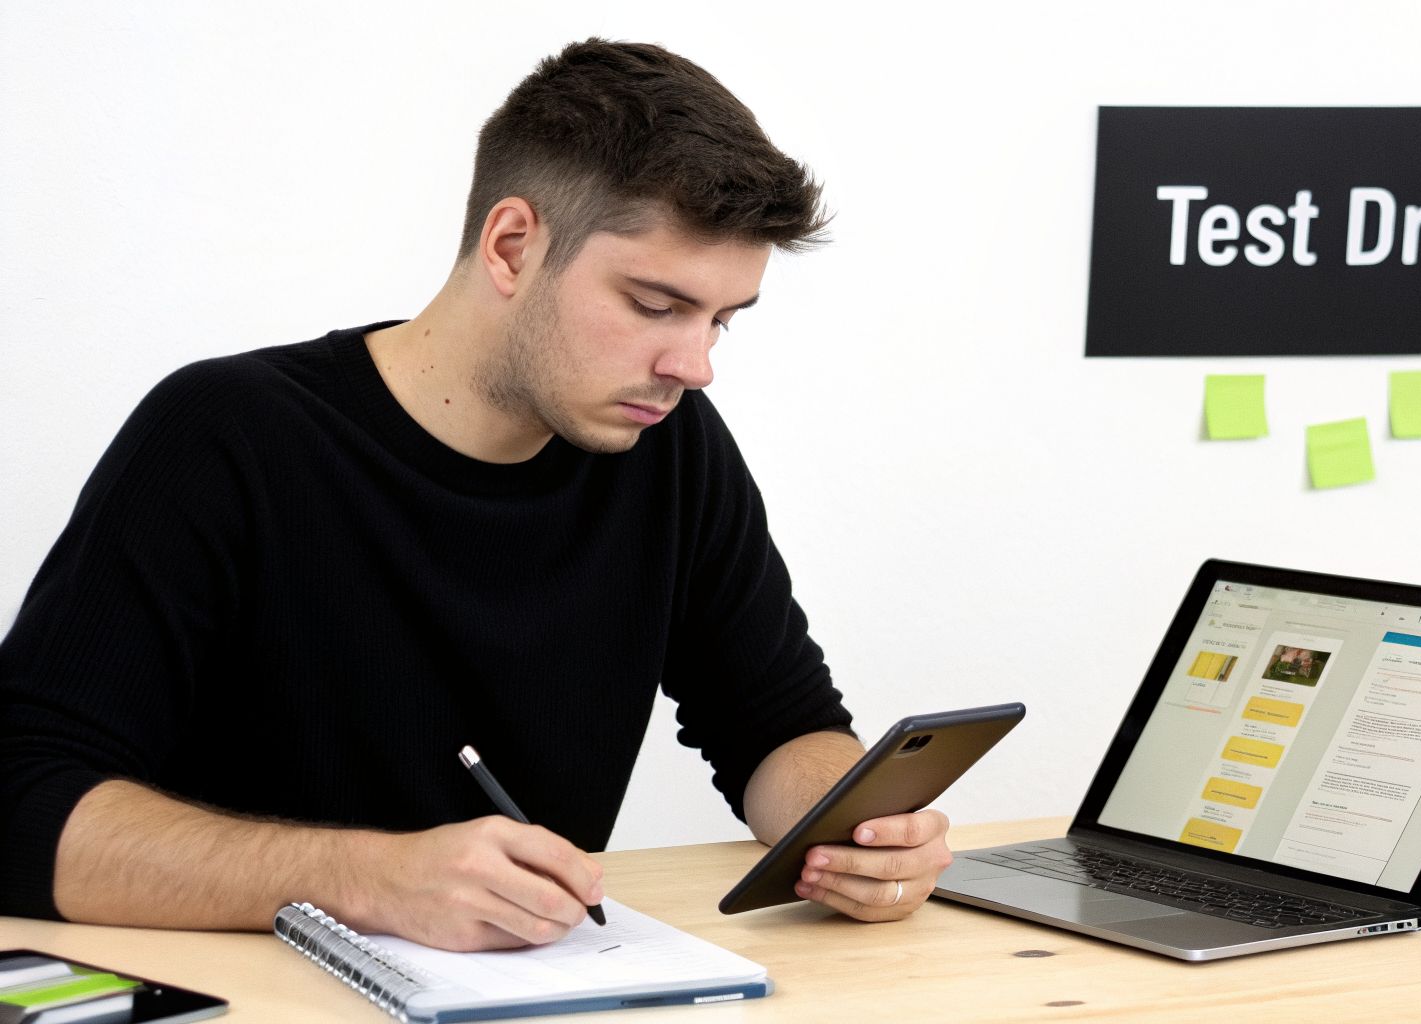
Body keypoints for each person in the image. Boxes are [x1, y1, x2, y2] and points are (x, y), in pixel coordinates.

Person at [0, 39, 952, 951]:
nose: (693, 364)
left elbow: (778, 728)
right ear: (510, 245)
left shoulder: (669, 448)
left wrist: (855, 829)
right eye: (655, 306)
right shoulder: (228, 436)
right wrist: (366, 879)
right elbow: (16, 800)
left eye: (722, 321)